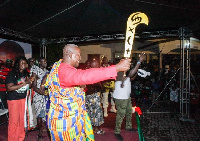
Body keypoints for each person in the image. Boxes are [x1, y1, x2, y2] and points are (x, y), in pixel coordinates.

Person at [45, 44, 131, 141]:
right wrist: (116, 68)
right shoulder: (64, 70)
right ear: (69, 54)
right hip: (65, 124)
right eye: (78, 55)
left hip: (69, 120)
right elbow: (85, 76)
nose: (80, 58)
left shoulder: (58, 66)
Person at [113, 53, 145, 141]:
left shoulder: (124, 72)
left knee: (129, 112)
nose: (128, 64)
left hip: (126, 96)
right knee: (121, 114)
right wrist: (139, 62)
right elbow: (130, 75)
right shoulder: (117, 71)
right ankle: (117, 131)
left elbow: (130, 78)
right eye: (126, 62)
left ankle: (128, 126)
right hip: (120, 97)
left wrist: (137, 71)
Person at [6, 56, 34, 141]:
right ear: (17, 64)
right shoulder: (12, 74)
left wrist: (31, 81)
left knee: (22, 120)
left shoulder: (26, 74)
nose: (23, 64)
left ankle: (20, 138)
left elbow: (29, 86)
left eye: (25, 63)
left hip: (23, 98)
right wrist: (25, 82)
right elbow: (9, 88)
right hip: (13, 99)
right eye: (21, 63)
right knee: (14, 122)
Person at [85, 59, 105, 134]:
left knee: (90, 112)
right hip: (92, 95)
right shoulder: (91, 73)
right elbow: (99, 86)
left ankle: (90, 128)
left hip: (89, 95)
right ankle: (95, 129)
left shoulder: (85, 72)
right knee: (95, 113)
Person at [31, 57, 48, 141]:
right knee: (39, 114)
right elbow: (33, 86)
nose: (45, 63)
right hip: (38, 95)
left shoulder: (46, 72)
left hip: (45, 95)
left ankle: (43, 127)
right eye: (43, 61)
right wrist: (41, 92)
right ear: (39, 63)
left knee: (45, 113)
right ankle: (40, 133)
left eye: (45, 61)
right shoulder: (35, 70)